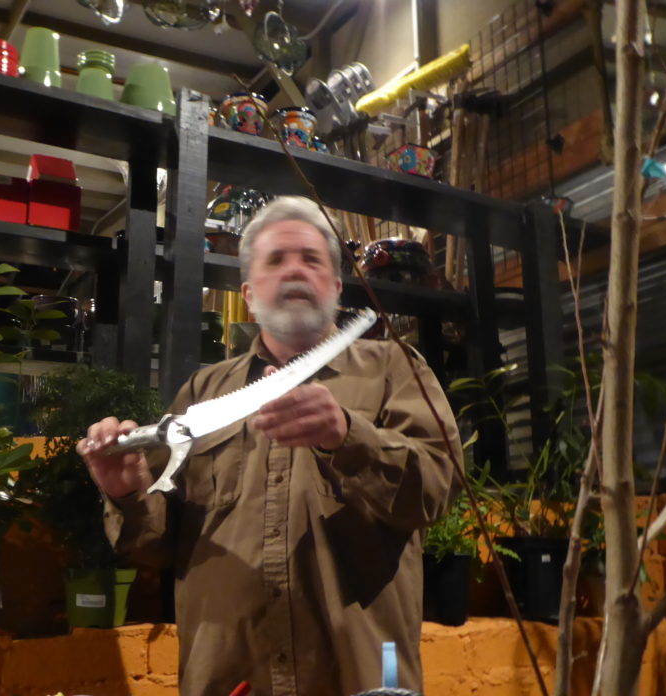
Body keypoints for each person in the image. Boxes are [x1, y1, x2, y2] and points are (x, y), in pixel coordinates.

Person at [78, 196, 462, 696]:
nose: (295, 271)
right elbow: (160, 545)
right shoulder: (203, 393)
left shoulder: (395, 369)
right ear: (249, 292)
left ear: (337, 285)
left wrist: (349, 437)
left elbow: (438, 490)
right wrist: (129, 495)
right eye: (276, 260)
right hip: (230, 677)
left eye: (311, 258)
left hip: (361, 675)